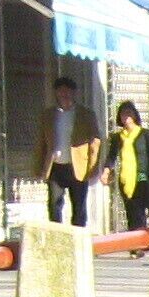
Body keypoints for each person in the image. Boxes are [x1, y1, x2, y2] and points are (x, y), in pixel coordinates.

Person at [40, 74, 101, 227]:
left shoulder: (85, 114)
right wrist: (40, 167)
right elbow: (41, 142)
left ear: (74, 93)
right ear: (56, 93)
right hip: (56, 166)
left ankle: (78, 241)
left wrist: (93, 168)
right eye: (61, 91)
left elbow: (95, 142)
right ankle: (57, 240)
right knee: (54, 206)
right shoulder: (49, 115)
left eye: (68, 91)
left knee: (79, 208)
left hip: (78, 167)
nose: (64, 95)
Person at [102, 100, 149, 226]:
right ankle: (135, 239)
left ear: (135, 115)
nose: (126, 117)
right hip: (125, 180)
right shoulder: (117, 137)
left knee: (140, 212)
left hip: (142, 178)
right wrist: (106, 172)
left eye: (129, 113)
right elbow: (112, 156)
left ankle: (142, 239)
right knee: (131, 213)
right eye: (123, 114)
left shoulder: (145, 134)